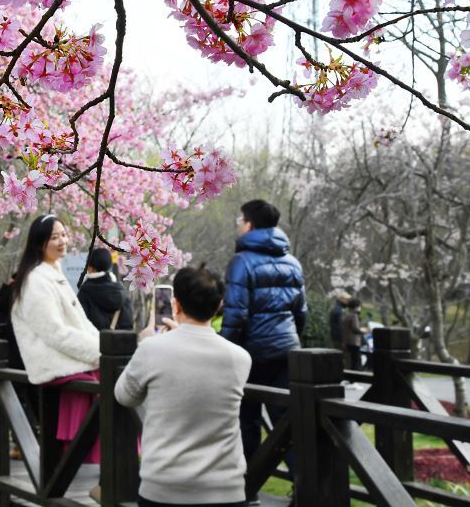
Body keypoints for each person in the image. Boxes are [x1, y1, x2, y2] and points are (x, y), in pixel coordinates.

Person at [116, 265, 251, 507]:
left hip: (163, 487)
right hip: (226, 490)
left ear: (175, 304)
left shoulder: (152, 349)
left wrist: (145, 342)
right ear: (219, 305)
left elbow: (124, 395)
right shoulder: (240, 358)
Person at [219, 199, 305, 475]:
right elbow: (300, 312)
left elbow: (235, 315)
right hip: (287, 350)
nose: (238, 226)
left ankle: (249, 486)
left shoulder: (241, 262)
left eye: (239, 221)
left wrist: (224, 351)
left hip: (252, 353)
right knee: (287, 422)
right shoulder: (292, 263)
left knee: (246, 419)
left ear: (250, 224)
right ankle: (304, 486)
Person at [11, 215, 101, 465]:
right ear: (40, 242)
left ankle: (104, 473)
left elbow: (80, 324)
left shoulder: (51, 273)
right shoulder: (36, 280)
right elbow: (54, 332)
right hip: (55, 364)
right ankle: (87, 469)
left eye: (64, 234)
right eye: (54, 237)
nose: (62, 241)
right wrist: (99, 351)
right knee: (111, 388)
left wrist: (101, 346)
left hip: (68, 359)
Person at [77, 247, 134, 331]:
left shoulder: (85, 292)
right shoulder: (121, 290)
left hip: (95, 342)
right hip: (119, 341)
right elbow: (128, 324)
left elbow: (80, 323)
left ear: (90, 267)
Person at [342, 298, 366, 371]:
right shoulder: (354, 316)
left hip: (347, 341)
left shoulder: (346, 315)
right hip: (354, 341)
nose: (359, 308)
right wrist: (364, 331)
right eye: (359, 306)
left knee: (350, 361)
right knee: (356, 362)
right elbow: (355, 328)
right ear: (355, 307)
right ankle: (356, 378)